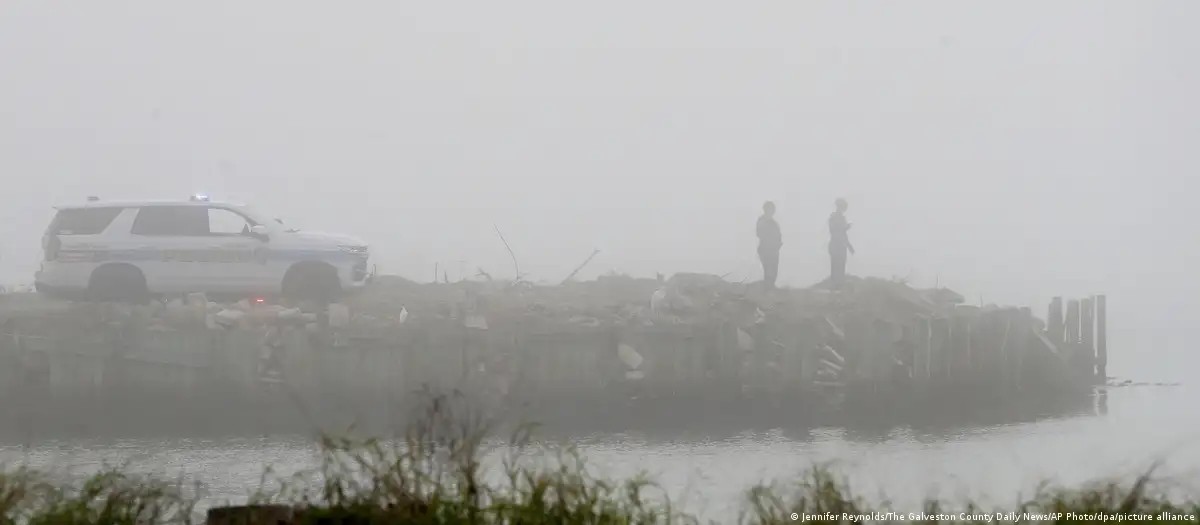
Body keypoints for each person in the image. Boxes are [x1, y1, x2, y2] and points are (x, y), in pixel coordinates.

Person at [828, 198, 854, 286]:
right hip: (835, 244)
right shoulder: (833, 217)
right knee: (835, 266)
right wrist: (845, 227)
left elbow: (843, 234)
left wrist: (849, 246)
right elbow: (834, 231)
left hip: (842, 245)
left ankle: (839, 285)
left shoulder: (842, 218)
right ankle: (834, 285)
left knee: (841, 265)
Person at [756, 201, 782, 289]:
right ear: (765, 209)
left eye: (772, 209)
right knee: (768, 270)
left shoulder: (774, 223)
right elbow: (759, 233)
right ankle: (768, 289)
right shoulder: (762, 220)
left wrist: (778, 243)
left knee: (773, 270)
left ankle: (770, 288)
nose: (772, 211)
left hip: (774, 250)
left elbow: (778, 235)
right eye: (770, 209)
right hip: (765, 249)